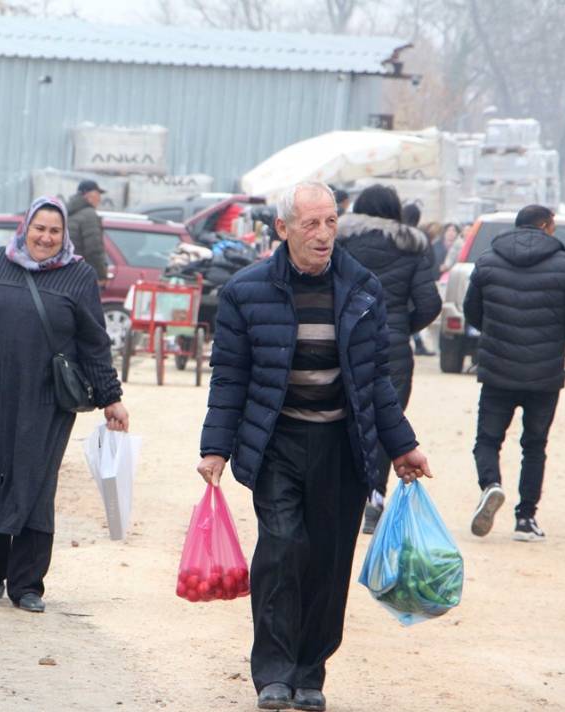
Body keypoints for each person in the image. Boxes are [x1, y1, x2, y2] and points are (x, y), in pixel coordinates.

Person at [197, 181, 432, 712]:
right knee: (281, 549)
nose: (323, 234)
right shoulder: (245, 292)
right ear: (283, 228)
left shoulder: (363, 288)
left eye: (330, 222)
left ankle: (309, 672)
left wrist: (403, 446)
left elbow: (376, 380)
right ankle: (274, 673)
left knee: (328, 559)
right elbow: (229, 378)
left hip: (342, 446)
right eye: (311, 223)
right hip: (277, 443)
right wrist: (215, 448)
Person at [0, 196, 128, 614]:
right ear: (25, 228)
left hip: (45, 400)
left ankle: (27, 584)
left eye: (54, 231)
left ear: (64, 234)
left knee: (34, 483)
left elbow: (94, 343)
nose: (46, 238)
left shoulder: (79, 275)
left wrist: (111, 397)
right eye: (39, 228)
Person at [464, 205, 565, 542]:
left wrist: (496, 334)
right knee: (534, 445)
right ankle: (525, 518)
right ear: (545, 226)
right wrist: (554, 342)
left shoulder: (487, 261)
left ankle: (491, 484)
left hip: (497, 370)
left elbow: (472, 311)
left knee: (488, 439)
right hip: (544, 374)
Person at [335, 186, 440, 534]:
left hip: (341, 343)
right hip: (392, 348)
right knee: (384, 420)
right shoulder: (411, 245)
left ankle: (337, 494)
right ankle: (375, 497)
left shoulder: (340, 241)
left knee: (338, 414)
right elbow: (429, 303)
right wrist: (400, 327)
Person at [400, 203, 437, 357]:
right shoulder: (421, 237)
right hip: (416, 282)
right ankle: (417, 342)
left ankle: (417, 342)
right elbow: (431, 260)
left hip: (398, 282)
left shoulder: (395, 234)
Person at [66, 179, 108, 286]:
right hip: (81, 275)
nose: (99, 198)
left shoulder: (68, 212)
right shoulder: (89, 215)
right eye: (97, 193)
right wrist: (101, 276)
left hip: (66, 272)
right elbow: (94, 250)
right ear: (87, 194)